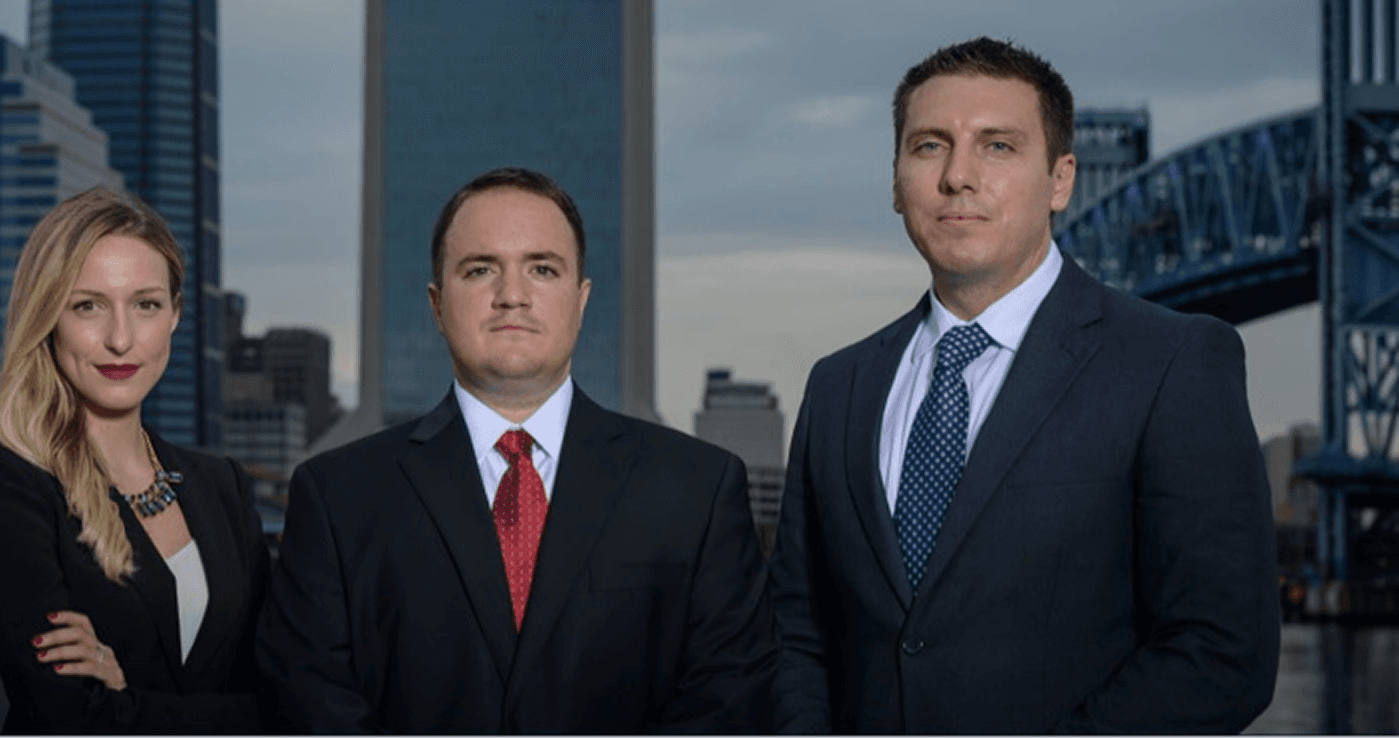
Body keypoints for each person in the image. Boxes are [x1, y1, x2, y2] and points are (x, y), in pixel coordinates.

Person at [767, 37, 1280, 733]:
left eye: (998, 147)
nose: (957, 177)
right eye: (928, 147)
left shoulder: (1173, 362)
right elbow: (796, 635)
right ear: (895, 182)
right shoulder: (839, 386)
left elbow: (1223, 654)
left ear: (1061, 179)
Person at [257, 167, 777, 733]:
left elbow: (728, 699)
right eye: (480, 270)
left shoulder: (695, 489)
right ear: (437, 303)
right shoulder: (338, 497)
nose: (512, 296)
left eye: (542, 269)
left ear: (580, 300)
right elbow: (311, 703)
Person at [0, 188, 270, 733]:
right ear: (47, 316)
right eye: (87, 306)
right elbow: (70, 715)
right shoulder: (2, 487)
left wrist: (130, 701)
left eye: (146, 304)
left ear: (174, 316)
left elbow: (288, 700)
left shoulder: (222, 487)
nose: (121, 339)